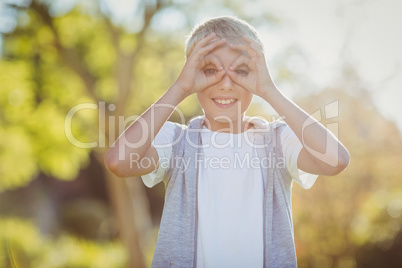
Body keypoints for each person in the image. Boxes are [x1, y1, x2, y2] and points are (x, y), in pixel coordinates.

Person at [105, 16, 350, 268]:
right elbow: (118, 162)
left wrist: (269, 91)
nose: (225, 83)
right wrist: (179, 88)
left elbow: (336, 160)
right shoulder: (176, 140)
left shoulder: (278, 140)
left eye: (240, 71)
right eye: (210, 70)